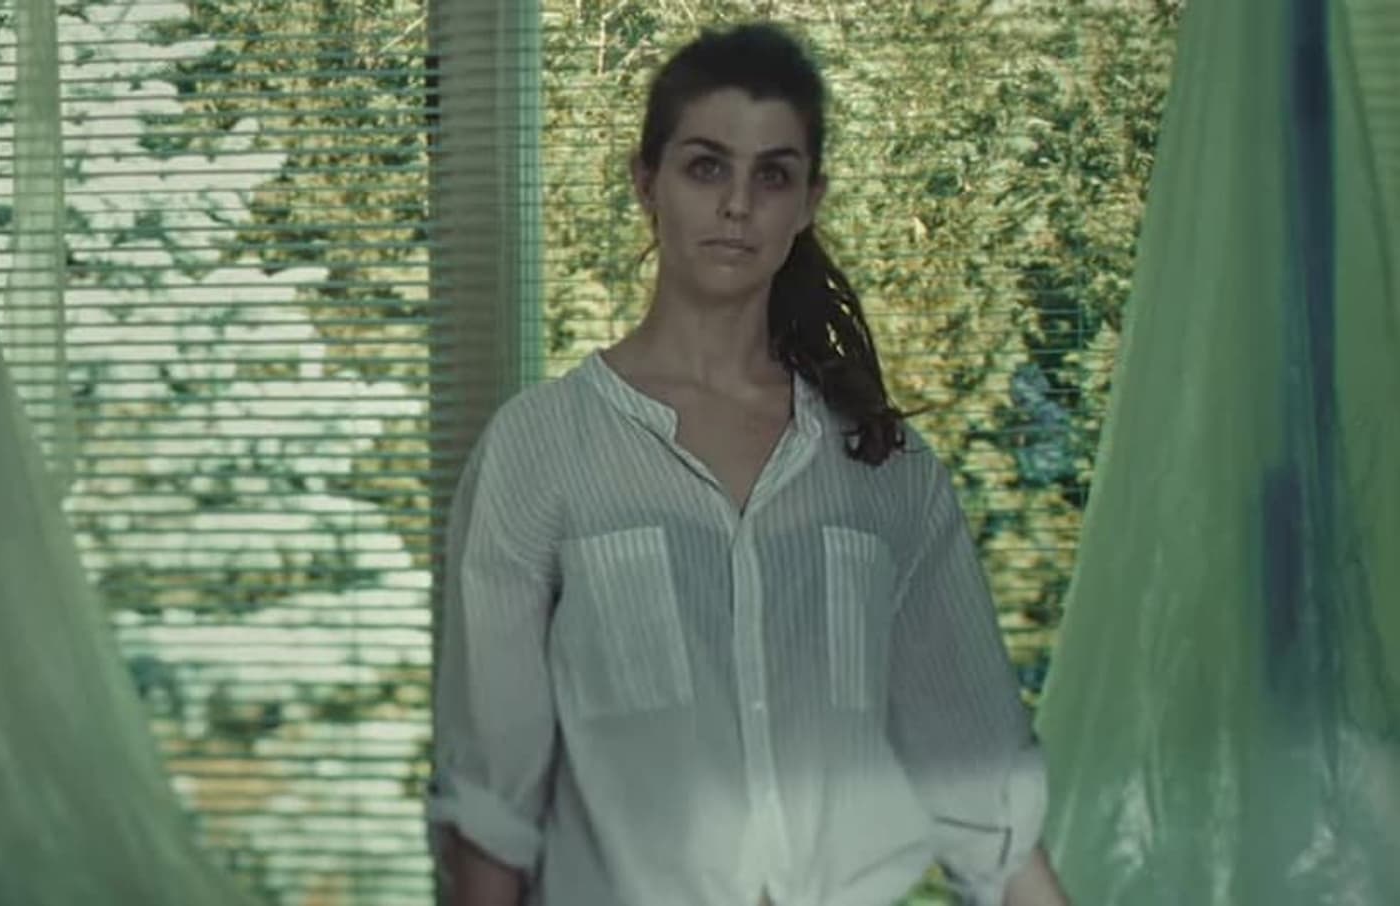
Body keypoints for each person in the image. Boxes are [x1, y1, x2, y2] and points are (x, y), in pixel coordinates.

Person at [426, 22, 1071, 906]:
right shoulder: (539, 452)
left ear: (809, 200)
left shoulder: (884, 468)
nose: (738, 204)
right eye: (706, 167)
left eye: (772, 175)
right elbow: (492, 810)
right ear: (645, 181)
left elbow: (982, 788)